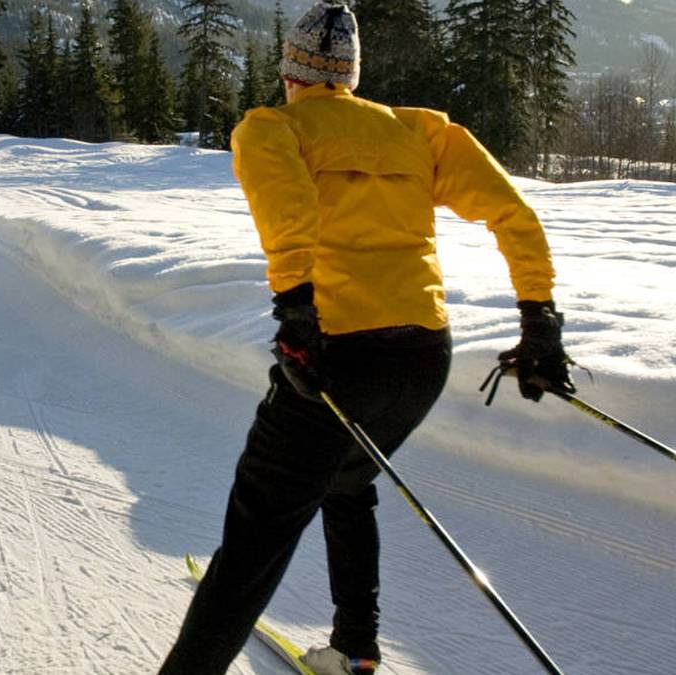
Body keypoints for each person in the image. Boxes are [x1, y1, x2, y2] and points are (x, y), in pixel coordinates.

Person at [158, 3, 576, 675]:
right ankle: (356, 649)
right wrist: (539, 318)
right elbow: (512, 212)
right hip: (420, 357)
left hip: (332, 354)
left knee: (255, 541)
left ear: (291, 73)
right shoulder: (417, 132)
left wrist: (296, 310)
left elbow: (286, 206)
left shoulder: (274, 127)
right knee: (348, 480)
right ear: (350, 76)